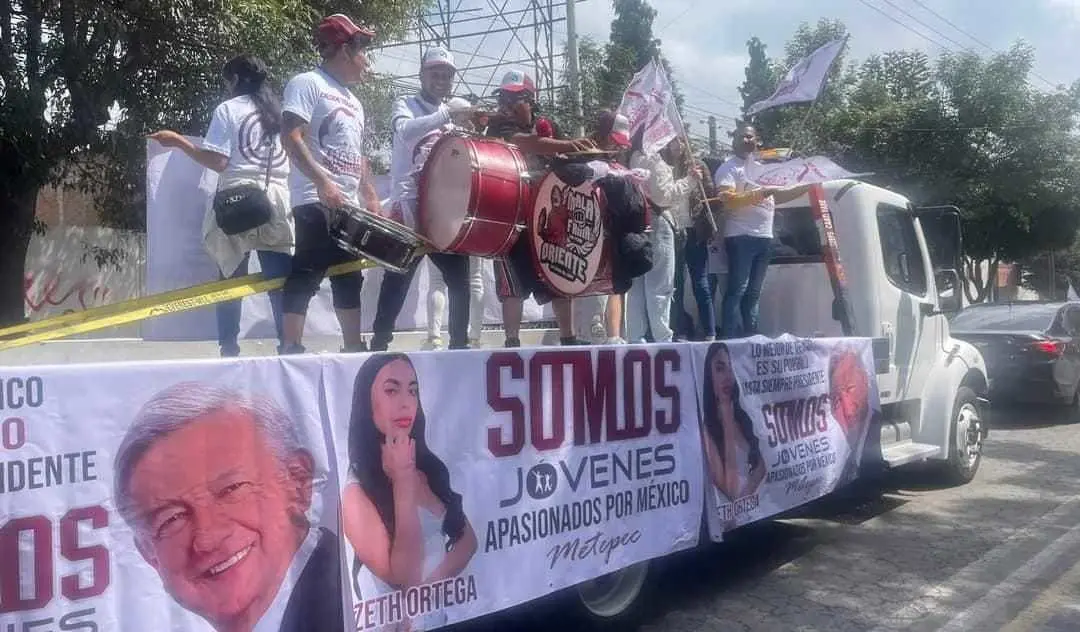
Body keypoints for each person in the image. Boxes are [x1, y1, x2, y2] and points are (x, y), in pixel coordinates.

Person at [113, 382, 341, 632]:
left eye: (231, 490)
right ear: (149, 554)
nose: (207, 539)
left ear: (297, 482)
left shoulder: (351, 602)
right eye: (172, 518)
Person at [149, 55, 294, 358]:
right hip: (277, 200)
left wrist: (178, 141)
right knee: (280, 284)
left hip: (238, 198)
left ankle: (229, 349)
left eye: (228, 81)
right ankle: (289, 346)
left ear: (236, 80)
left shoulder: (228, 109)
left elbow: (218, 161)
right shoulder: (280, 114)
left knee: (230, 280)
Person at [341, 353, 478, 631]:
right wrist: (402, 482)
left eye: (413, 391)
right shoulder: (355, 491)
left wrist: (425, 593)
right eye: (391, 390)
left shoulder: (427, 467)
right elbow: (403, 576)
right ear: (367, 401)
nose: (406, 402)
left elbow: (468, 542)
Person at [278, 14, 380, 354]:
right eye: (363, 49)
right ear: (345, 49)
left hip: (348, 203)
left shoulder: (355, 102)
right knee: (307, 270)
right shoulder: (308, 83)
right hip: (314, 197)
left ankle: (353, 346)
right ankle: (290, 346)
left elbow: (358, 155)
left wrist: (371, 198)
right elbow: (290, 137)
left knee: (349, 275)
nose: (367, 60)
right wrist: (322, 182)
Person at [370, 48, 477, 352]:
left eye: (446, 75)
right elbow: (404, 132)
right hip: (410, 208)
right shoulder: (406, 104)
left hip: (444, 213)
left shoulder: (451, 113)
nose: (440, 80)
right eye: (434, 73)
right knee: (397, 279)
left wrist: (469, 130)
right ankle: (379, 343)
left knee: (460, 280)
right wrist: (447, 114)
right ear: (422, 76)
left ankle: (459, 345)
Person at [483, 70, 596, 347]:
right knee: (512, 282)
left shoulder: (549, 124)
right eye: (505, 97)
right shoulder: (498, 127)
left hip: (547, 213)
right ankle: (512, 341)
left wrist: (584, 148)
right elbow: (529, 143)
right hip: (512, 213)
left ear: (531, 100)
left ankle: (568, 337)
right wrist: (567, 144)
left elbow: (564, 153)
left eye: (516, 97)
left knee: (559, 273)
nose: (508, 104)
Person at [714, 125, 811, 339]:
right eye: (742, 136)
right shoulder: (729, 168)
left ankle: (751, 335)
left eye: (750, 137)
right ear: (734, 140)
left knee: (754, 293)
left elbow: (777, 197)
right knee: (737, 290)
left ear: (757, 141)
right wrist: (761, 193)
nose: (747, 140)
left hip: (765, 237)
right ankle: (730, 337)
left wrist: (807, 183)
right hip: (741, 237)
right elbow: (728, 201)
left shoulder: (762, 168)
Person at [627, 133, 703, 343]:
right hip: (657, 222)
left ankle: (636, 335)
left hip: (636, 223)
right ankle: (662, 337)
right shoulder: (655, 160)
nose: (676, 144)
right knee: (660, 285)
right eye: (672, 139)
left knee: (638, 287)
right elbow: (663, 195)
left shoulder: (634, 155)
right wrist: (690, 181)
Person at [700, 342, 767, 530]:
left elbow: (762, 467)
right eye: (720, 368)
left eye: (731, 368)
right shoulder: (707, 429)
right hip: (735, 523)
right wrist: (727, 423)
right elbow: (730, 489)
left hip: (756, 515)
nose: (727, 377)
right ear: (709, 375)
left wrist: (744, 500)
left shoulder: (743, 417)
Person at [672, 141, 720, 341]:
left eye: (680, 141)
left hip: (695, 231)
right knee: (676, 284)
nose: (676, 145)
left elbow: (713, 197)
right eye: (672, 142)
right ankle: (680, 331)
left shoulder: (698, 164)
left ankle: (710, 332)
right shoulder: (664, 166)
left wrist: (707, 221)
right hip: (673, 230)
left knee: (700, 283)